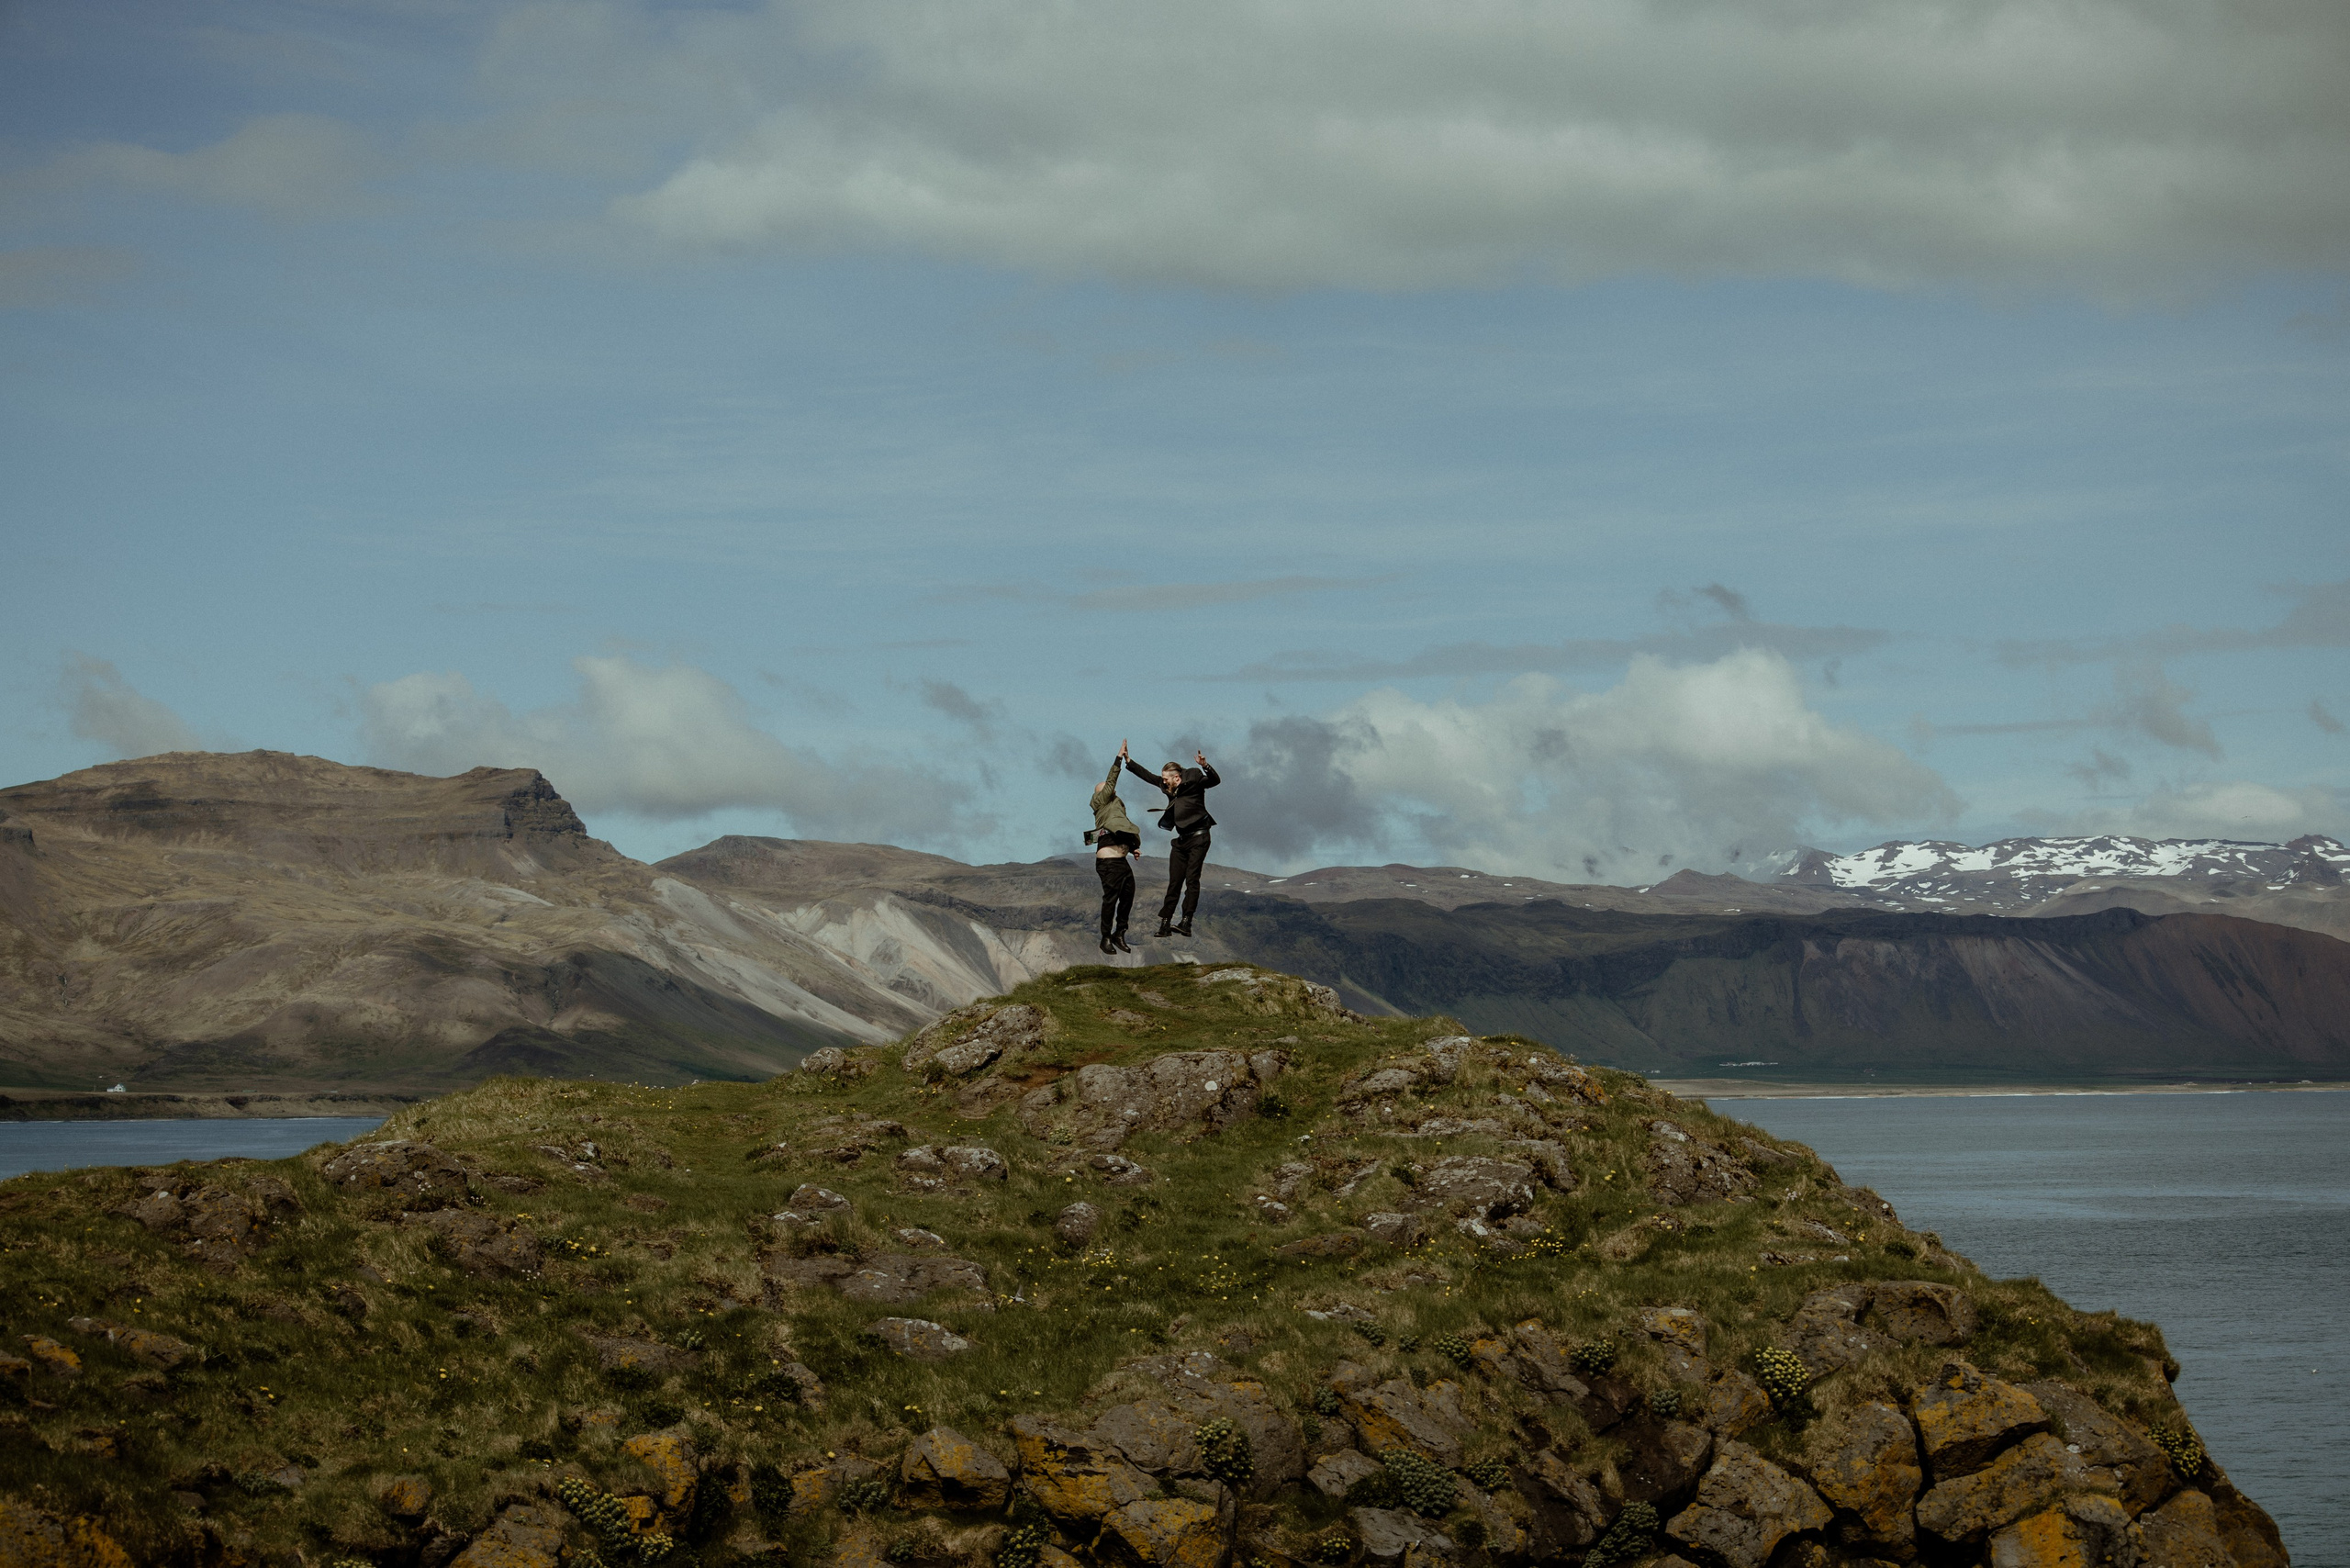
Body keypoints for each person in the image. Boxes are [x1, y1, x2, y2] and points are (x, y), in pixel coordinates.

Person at [1125, 745, 1220, 937]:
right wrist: (1128, 761)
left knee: (1192, 879)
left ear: (1177, 778)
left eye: (1166, 779)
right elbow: (1148, 776)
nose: (1163, 782)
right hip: (1181, 841)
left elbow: (1214, 781)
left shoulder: (1194, 780)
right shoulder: (1166, 786)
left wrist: (1205, 766)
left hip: (1199, 837)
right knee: (1174, 882)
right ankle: (1165, 924)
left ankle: (1186, 922)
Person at [1088, 741, 1146, 954]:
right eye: (1104, 788)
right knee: (1111, 899)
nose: (1110, 789)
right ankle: (1105, 937)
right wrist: (1119, 758)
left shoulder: (1116, 809)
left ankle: (1119, 933)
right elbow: (1110, 783)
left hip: (1121, 861)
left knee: (1128, 896)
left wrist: (1132, 847)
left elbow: (1121, 827)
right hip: (1109, 862)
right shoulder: (1100, 803)